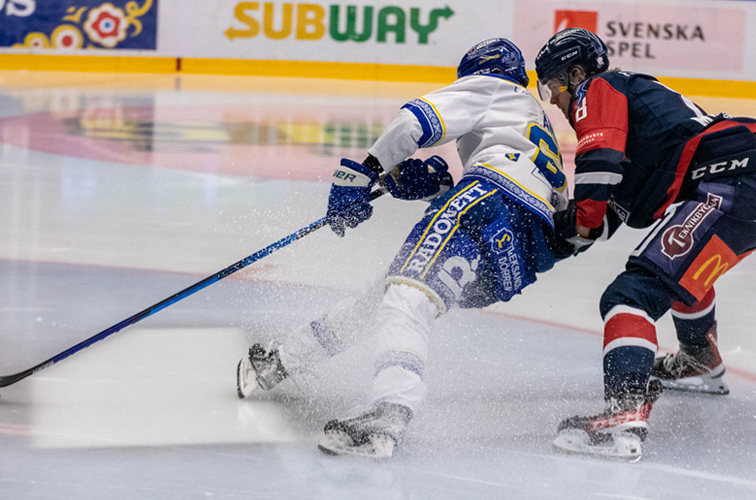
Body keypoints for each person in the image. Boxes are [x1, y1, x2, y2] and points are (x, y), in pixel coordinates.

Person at [237, 37, 573, 458]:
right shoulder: (532, 122)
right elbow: (534, 196)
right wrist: (438, 186)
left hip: (488, 200)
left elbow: (414, 122)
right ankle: (284, 360)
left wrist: (367, 171)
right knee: (391, 295)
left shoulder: (494, 86)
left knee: (406, 297)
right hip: (525, 247)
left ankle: (389, 408)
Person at [534, 27, 756, 461]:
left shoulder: (598, 88)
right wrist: (572, 232)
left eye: (554, 86)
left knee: (630, 296)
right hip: (738, 180)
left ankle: (624, 414)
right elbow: (611, 210)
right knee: (673, 271)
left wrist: (575, 222)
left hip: (735, 182)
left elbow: (599, 165)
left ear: (576, 73)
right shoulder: (644, 116)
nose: (555, 101)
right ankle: (698, 360)